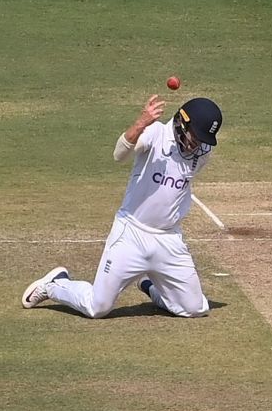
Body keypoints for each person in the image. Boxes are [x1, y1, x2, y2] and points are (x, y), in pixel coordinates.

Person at [21, 95, 222, 318]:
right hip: (132, 234)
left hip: (168, 240)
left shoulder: (201, 156)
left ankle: (149, 286)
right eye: (195, 136)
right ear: (182, 123)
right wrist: (140, 123)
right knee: (97, 307)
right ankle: (55, 284)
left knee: (195, 308)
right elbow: (119, 155)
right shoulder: (155, 134)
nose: (197, 145)